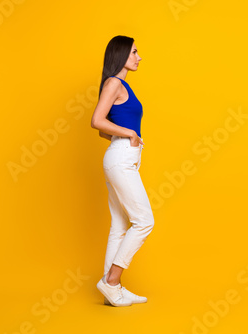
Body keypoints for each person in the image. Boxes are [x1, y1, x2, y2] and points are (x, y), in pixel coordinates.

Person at [91, 35, 154, 307]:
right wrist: (129, 133)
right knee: (144, 221)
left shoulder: (118, 84)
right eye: (134, 53)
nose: (139, 57)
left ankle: (111, 295)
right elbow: (97, 121)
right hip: (121, 159)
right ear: (121, 55)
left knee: (119, 226)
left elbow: (106, 128)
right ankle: (111, 282)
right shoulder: (115, 83)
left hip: (120, 155)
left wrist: (122, 137)